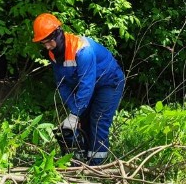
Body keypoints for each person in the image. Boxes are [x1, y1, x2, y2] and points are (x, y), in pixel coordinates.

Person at [32, 13, 125, 166]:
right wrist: (74, 113)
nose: (47, 46)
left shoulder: (82, 51)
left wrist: (75, 114)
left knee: (98, 120)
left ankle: (97, 166)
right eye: (43, 43)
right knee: (84, 121)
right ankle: (82, 161)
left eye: (49, 42)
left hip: (109, 82)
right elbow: (63, 84)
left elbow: (86, 85)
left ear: (58, 34)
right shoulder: (54, 54)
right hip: (89, 86)